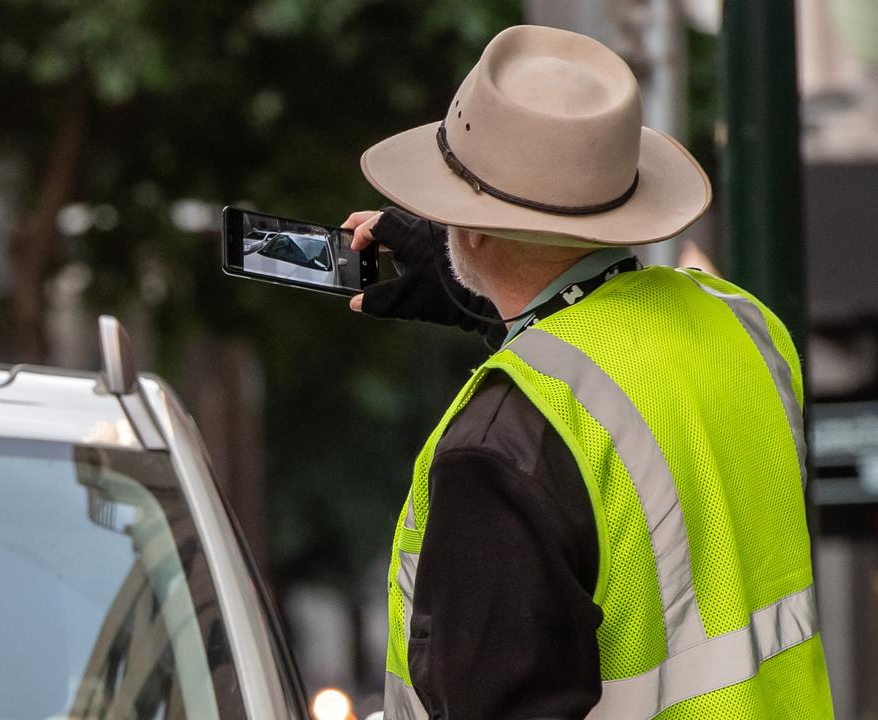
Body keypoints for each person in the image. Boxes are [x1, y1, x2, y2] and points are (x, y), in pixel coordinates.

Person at [343, 25, 834, 720]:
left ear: (473, 227)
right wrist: (484, 302)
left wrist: (484, 294)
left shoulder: (492, 454)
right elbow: (623, 381)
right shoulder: (742, 325)